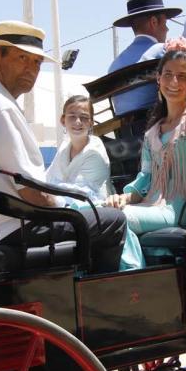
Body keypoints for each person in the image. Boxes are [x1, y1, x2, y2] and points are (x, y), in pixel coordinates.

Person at [0, 21, 128, 272]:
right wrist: (68, 208)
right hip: (6, 231)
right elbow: (34, 194)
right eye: (23, 58)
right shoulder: (0, 106)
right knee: (114, 220)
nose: (31, 69)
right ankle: (100, 294)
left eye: (37, 62)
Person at [105, 38, 186, 235]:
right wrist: (122, 198)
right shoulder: (152, 133)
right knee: (102, 211)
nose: (174, 82)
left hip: (180, 210)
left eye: (181, 76)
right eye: (168, 74)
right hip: (150, 206)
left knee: (113, 220)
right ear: (158, 79)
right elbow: (146, 179)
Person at [47, 95, 143, 270]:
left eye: (84, 117)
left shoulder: (95, 151)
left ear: (91, 122)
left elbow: (83, 193)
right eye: (72, 116)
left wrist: (52, 193)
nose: (78, 122)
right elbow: (48, 180)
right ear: (63, 120)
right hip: (68, 208)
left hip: (96, 210)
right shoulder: (64, 147)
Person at [108, 0, 181, 73]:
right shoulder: (164, 52)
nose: (167, 29)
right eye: (165, 23)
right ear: (154, 22)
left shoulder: (114, 65)